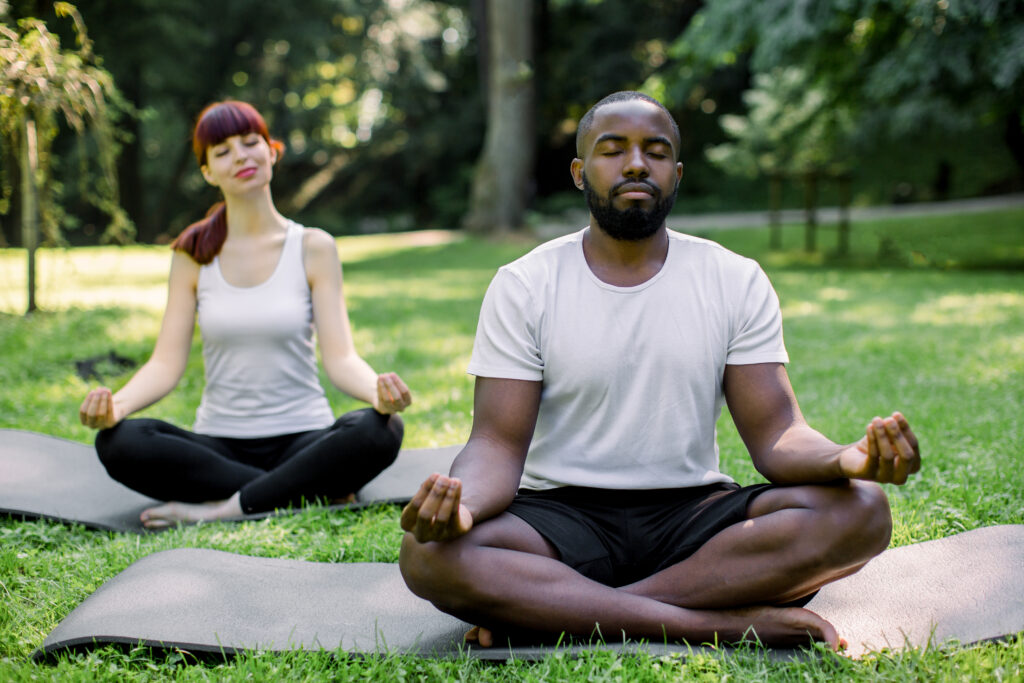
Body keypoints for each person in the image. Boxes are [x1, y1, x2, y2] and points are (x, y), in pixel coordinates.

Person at [398, 91, 920, 650]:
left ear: (676, 172)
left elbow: (777, 434)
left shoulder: (732, 277)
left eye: (656, 150)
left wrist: (848, 459)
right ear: (579, 172)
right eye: (612, 149)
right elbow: (496, 445)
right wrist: (463, 509)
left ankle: (557, 610)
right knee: (427, 554)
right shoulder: (525, 283)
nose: (636, 163)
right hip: (560, 519)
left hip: (691, 516)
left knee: (862, 508)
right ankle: (713, 623)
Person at [79, 101, 412, 530]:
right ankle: (302, 491)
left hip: (304, 438)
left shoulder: (314, 247)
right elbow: (165, 364)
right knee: (119, 442)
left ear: (271, 151)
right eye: (222, 151)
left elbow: (341, 359)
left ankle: (222, 509)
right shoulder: (193, 254)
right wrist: (116, 407)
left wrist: (377, 394)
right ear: (207, 173)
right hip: (220, 448)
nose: (240, 156)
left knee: (379, 430)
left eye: (250, 142)